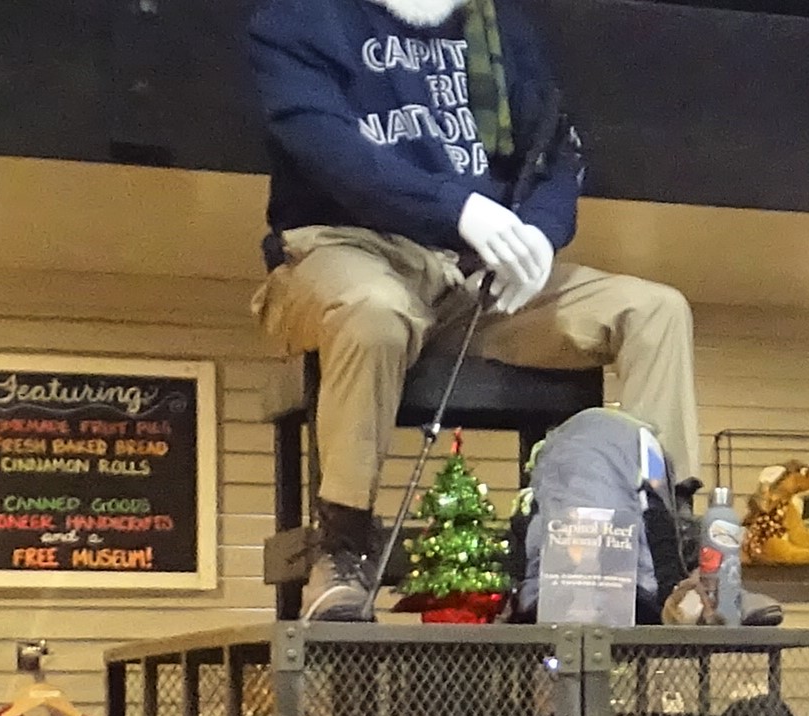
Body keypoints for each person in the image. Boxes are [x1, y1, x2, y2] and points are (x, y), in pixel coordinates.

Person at [246, 0, 697, 620]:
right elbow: (323, 145)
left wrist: (538, 231)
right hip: (342, 250)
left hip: (473, 277)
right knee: (377, 313)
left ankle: (672, 552)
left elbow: (557, 149)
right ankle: (343, 546)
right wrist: (457, 206)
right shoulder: (305, 17)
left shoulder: (502, 27)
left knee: (654, 310)